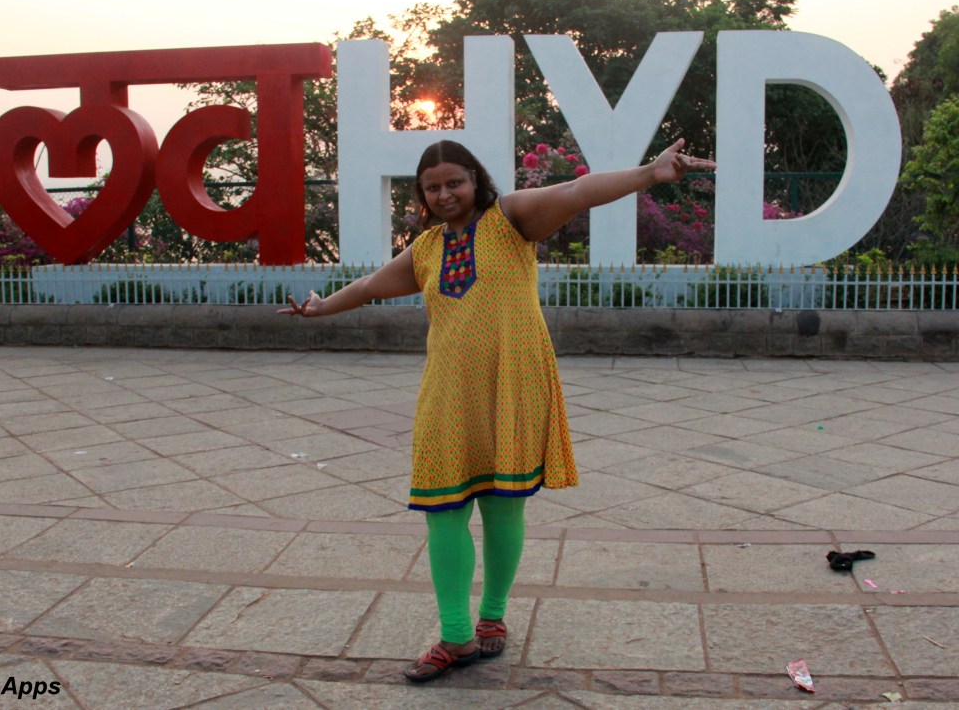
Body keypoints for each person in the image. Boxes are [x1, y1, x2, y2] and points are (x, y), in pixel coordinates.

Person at [280, 138, 716, 681]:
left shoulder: (510, 220)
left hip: (515, 384)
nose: (444, 194)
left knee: (503, 507)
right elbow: (370, 286)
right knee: (442, 508)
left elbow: (578, 191)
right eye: (432, 187)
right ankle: (455, 636)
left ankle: (492, 616)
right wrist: (322, 306)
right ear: (421, 194)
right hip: (448, 393)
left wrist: (650, 174)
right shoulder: (427, 249)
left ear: (476, 179)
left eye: (454, 182)